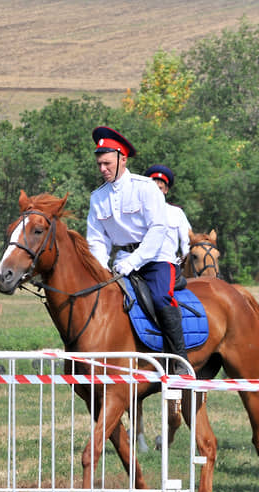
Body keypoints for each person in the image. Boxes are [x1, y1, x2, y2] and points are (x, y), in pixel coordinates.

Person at [85, 126, 187, 362]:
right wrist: (101, 268)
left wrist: (134, 261)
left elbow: (158, 229)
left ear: (123, 158)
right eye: (100, 164)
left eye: (108, 163)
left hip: (156, 258)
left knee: (161, 298)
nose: (103, 169)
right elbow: (97, 239)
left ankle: (178, 361)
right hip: (120, 263)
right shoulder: (97, 197)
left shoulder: (146, 187)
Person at [144, 164, 193, 262]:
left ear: (166, 190)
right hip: (138, 263)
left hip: (166, 261)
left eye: (160, 188)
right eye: (153, 188)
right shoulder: (137, 211)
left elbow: (187, 240)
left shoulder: (176, 212)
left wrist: (186, 260)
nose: (156, 192)